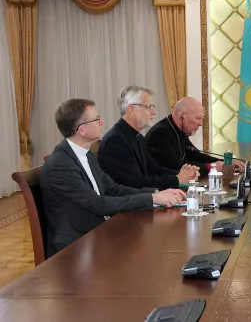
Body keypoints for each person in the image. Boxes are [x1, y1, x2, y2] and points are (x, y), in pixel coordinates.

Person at [40, 99, 186, 257]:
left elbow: (114, 189)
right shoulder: (60, 165)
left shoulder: (86, 155)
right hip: (75, 248)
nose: (101, 122)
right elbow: (98, 204)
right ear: (81, 130)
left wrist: (157, 193)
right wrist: (152, 198)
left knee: (151, 244)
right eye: (96, 119)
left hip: (96, 233)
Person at [98, 85, 199, 190]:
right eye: (148, 107)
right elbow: (135, 182)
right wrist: (177, 179)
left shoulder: (138, 137)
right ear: (131, 109)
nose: (154, 112)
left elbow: (154, 168)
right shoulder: (115, 141)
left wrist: (183, 174)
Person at [146, 97, 244, 176]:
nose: (201, 124)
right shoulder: (161, 133)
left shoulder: (178, 130)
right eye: (197, 118)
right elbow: (177, 167)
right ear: (182, 116)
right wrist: (212, 167)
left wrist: (224, 163)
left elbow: (194, 155)